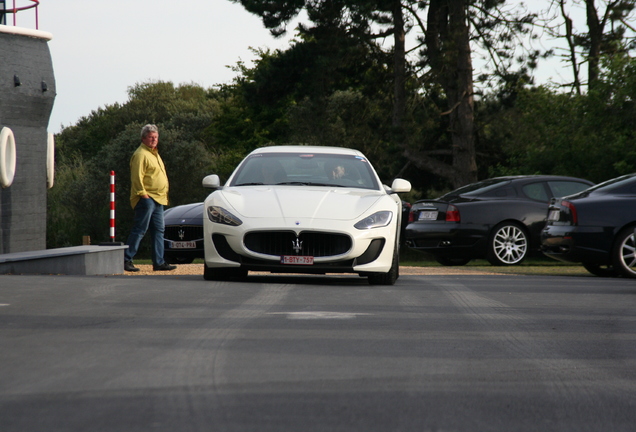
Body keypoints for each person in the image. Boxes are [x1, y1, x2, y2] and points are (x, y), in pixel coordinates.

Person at [123, 124, 176, 272]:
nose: (154, 140)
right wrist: (143, 195)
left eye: (156, 137)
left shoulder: (154, 153)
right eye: (151, 137)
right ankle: (126, 259)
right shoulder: (140, 154)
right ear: (143, 138)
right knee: (140, 229)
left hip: (159, 199)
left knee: (159, 230)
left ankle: (159, 262)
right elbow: (136, 177)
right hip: (147, 198)